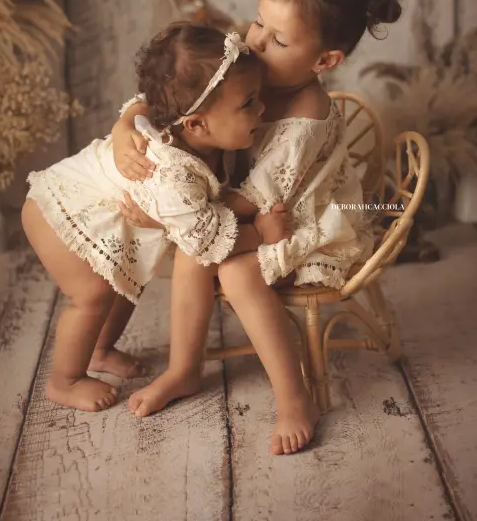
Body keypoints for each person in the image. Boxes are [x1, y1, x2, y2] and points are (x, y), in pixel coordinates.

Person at [114, 0, 402, 455]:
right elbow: (179, 90)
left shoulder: (307, 111)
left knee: (232, 265)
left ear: (324, 59)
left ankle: (294, 398)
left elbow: (257, 196)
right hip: (238, 212)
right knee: (199, 253)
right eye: (258, 23)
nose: (256, 42)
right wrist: (123, 125)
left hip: (302, 222)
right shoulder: (244, 64)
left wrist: (170, 216)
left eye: (278, 40)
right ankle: (184, 369)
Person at [21, 23, 290, 413]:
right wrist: (261, 233)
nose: (262, 109)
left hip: (100, 210)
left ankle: (98, 350)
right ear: (196, 123)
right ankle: (65, 380)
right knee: (92, 295)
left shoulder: (186, 119)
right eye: (249, 103)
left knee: (127, 282)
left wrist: (126, 119)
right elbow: (206, 240)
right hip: (59, 208)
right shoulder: (169, 172)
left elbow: (147, 99)